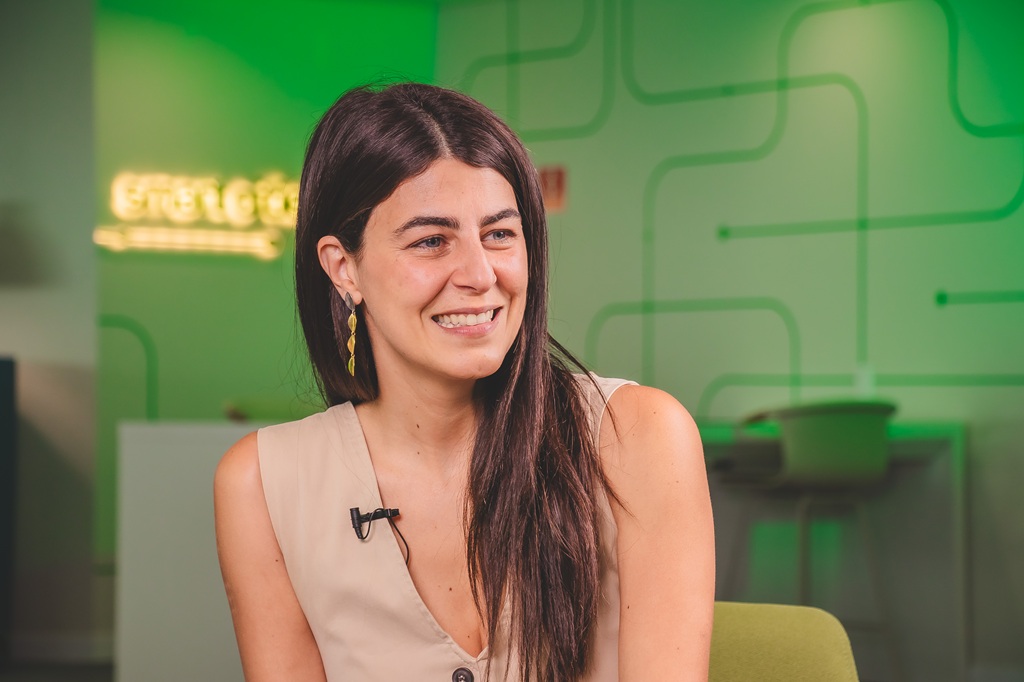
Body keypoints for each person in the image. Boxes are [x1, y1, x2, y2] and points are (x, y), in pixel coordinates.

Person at [214, 82, 714, 682]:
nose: (480, 274)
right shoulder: (263, 485)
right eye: (431, 241)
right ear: (344, 268)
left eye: (500, 233)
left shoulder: (639, 437)